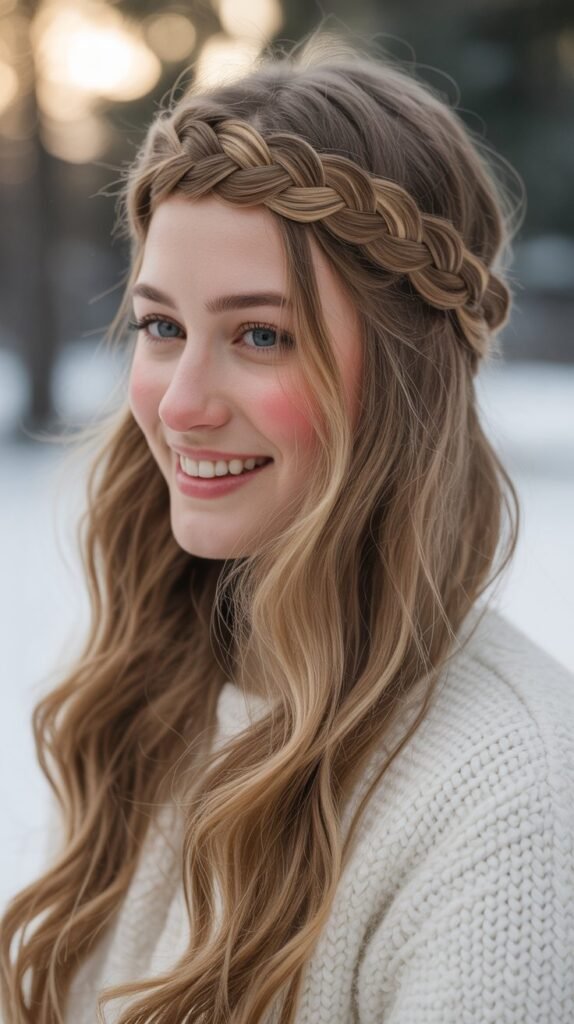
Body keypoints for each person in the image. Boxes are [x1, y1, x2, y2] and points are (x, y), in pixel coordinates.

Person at [2, 29, 573, 1024]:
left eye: (260, 335)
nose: (181, 404)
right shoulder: (143, 692)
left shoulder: (514, 811)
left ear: (406, 375)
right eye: (162, 326)